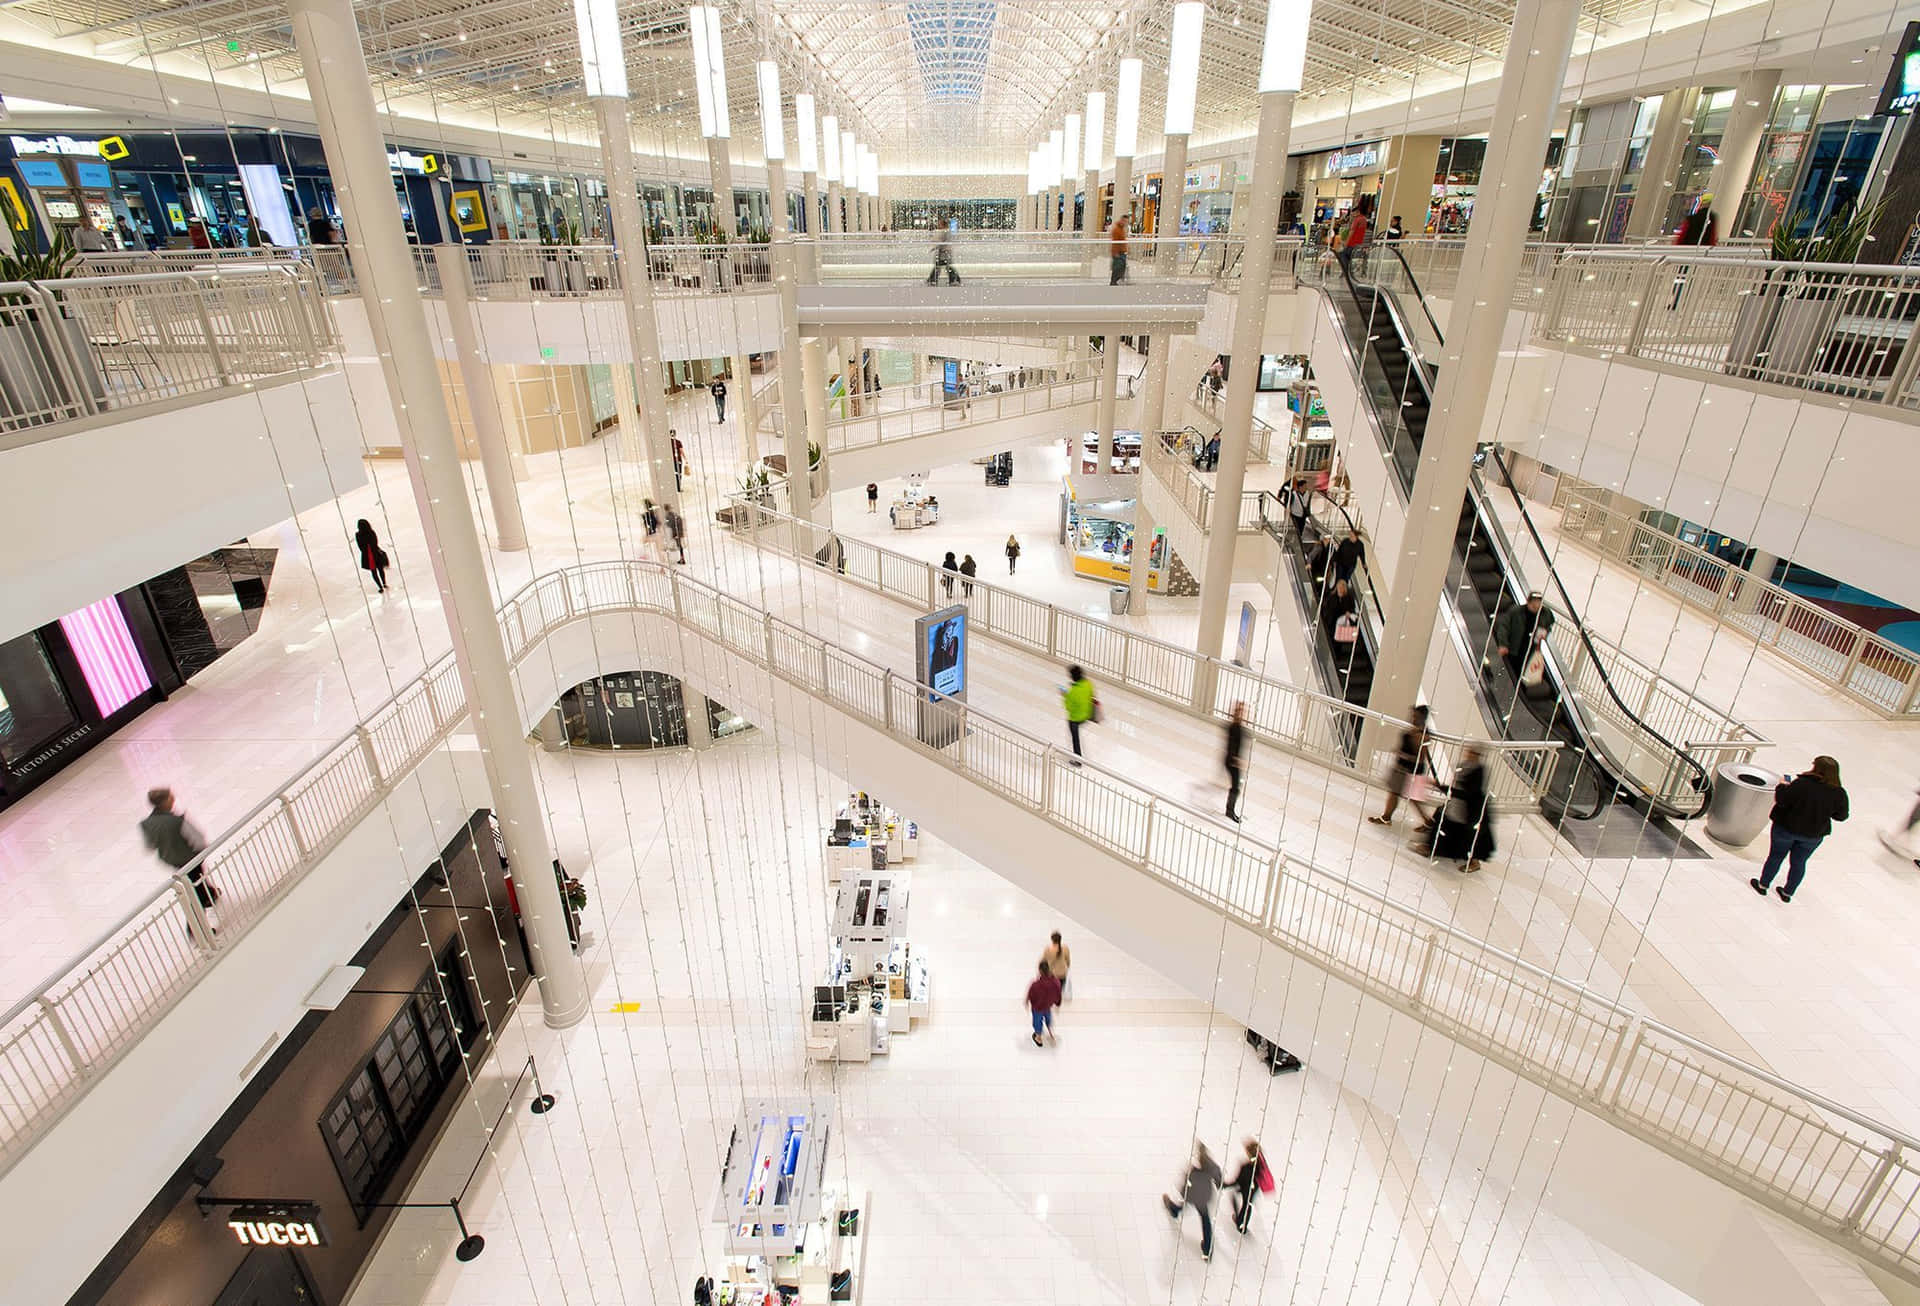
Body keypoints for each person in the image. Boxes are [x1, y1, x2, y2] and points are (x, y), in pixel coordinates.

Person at [1752, 756, 1849, 903]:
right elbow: (1841, 816)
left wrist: (1783, 785)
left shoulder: (1802, 784)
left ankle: (1763, 884)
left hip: (1786, 828)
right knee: (1799, 862)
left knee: (1776, 856)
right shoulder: (1839, 793)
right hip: (1813, 835)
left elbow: (1782, 800)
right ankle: (1787, 892)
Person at [140, 787, 218, 913]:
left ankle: (209, 894)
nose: (173, 799)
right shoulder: (178, 820)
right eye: (171, 797)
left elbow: (151, 845)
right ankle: (195, 924)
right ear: (165, 802)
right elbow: (198, 839)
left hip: (171, 859)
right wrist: (202, 850)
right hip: (190, 858)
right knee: (195, 885)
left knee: (196, 879)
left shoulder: (146, 823)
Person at [1426, 745, 1494, 871]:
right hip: (1459, 804)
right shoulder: (1464, 765)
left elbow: (1469, 792)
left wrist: (1446, 789)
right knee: (1444, 821)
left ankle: (1474, 862)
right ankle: (1433, 847)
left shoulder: (1478, 770)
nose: (1469, 754)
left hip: (1470, 808)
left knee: (1472, 835)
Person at [1371, 706, 1436, 829]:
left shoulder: (1422, 734)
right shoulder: (1416, 730)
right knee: (1396, 793)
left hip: (1409, 770)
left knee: (1411, 798)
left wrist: (1402, 754)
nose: (1413, 718)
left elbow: (1420, 757)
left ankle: (1428, 823)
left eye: (1416, 716)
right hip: (1403, 768)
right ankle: (1386, 817)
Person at [1162, 1142, 1224, 1260]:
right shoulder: (1213, 1168)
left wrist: (1183, 1191)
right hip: (1205, 1196)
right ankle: (1207, 1249)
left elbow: (1186, 1185)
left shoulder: (1194, 1171)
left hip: (1193, 1195)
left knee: (1186, 1205)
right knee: (1205, 1220)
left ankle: (1174, 1210)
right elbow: (1219, 1182)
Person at [1670, 197, 1718, 310]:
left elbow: (1683, 233)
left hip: (1688, 251)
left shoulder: (1692, 218)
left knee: (1682, 275)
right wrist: (1710, 248)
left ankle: (1676, 299)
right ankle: (1685, 300)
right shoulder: (1712, 219)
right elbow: (1712, 235)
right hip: (1701, 251)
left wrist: (1677, 247)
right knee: (1691, 277)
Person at [1496, 591, 1554, 679]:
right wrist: (1503, 644)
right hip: (1514, 649)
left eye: (1538, 603)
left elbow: (1549, 624)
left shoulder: (1545, 614)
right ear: (1528, 602)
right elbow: (1504, 627)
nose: (1536, 606)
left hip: (1530, 650)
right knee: (1510, 671)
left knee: (1522, 672)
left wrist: (1546, 632)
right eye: (1533, 604)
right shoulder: (1515, 611)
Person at [1227, 1139, 1269, 1234]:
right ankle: (1243, 1225)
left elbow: (1238, 1181)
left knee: (1244, 1204)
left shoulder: (1246, 1167)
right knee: (1248, 1205)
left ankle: (1240, 1223)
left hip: (1246, 1188)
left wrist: (1226, 1185)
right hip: (1254, 1188)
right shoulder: (1260, 1162)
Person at [1061, 665, 1094, 765]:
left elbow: (1068, 707)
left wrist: (1065, 696)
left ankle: (1078, 760)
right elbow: (1091, 695)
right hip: (1087, 714)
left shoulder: (1073, 692)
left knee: (1075, 739)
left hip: (1075, 718)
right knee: (1076, 737)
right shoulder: (1088, 684)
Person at [1025, 959, 1062, 1047]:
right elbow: (1058, 993)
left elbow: (1031, 995)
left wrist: (1027, 1002)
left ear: (1040, 971)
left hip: (1038, 1007)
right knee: (1048, 1016)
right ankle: (1049, 1029)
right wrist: (1057, 1003)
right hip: (1048, 1005)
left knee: (1037, 1021)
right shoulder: (1056, 982)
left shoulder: (1036, 984)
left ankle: (1038, 1037)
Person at [1223, 700, 1249, 823]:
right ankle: (1229, 811)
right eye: (1240, 711)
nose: (1243, 714)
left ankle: (1230, 810)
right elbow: (1231, 745)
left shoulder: (1237, 727)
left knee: (1236, 787)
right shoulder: (1234, 727)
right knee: (1236, 787)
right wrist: (1236, 759)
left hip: (1232, 761)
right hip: (1232, 762)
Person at [354, 518, 389, 593]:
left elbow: (360, 546)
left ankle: (380, 587)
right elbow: (375, 542)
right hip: (375, 553)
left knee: (374, 572)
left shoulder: (358, 535)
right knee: (380, 570)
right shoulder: (371, 532)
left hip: (367, 556)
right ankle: (384, 583)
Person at [1336, 197, 1370, 276]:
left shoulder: (1357, 220)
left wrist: (1345, 243)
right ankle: (1347, 271)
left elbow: (1352, 232)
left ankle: (1346, 271)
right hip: (1358, 243)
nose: (1352, 214)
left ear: (1357, 212)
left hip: (1352, 244)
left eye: (1353, 213)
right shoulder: (1364, 219)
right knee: (1347, 256)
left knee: (1342, 254)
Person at [927, 219, 960, 285]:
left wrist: (933, 247)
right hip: (946, 252)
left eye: (940, 224)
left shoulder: (943, 232)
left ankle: (932, 280)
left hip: (942, 252)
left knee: (939, 267)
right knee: (946, 267)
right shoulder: (948, 232)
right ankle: (954, 279)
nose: (938, 225)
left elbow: (938, 241)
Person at [1040, 931, 1072, 1000]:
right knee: (1059, 990)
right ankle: (1057, 999)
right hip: (1062, 974)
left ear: (1052, 940)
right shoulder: (1065, 948)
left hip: (1052, 974)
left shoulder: (1048, 949)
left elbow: (1042, 961)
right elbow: (1068, 962)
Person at [1108, 214, 1130, 285]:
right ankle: (1114, 281)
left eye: (1127, 222)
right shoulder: (1117, 230)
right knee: (1118, 267)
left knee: (1121, 267)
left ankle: (1117, 281)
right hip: (1119, 252)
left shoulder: (1121, 229)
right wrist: (1115, 253)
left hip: (1122, 252)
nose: (1126, 223)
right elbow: (1115, 242)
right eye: (1125, 221)